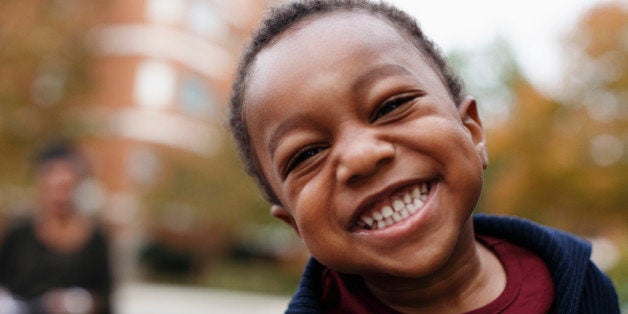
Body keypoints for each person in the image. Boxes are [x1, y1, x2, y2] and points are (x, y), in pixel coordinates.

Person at [227, 0, 620, 313]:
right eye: (308, 152)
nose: (362, 156)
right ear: (295, 224)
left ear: (472, 131)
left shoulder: (581, 284)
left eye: (391, 106)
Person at [0, 141, 112, 313]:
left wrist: (80, 302)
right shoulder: (18, 236)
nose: (60, 197)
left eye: (66, 187)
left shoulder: (95, 240)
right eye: (55, 187)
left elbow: (106, 298)